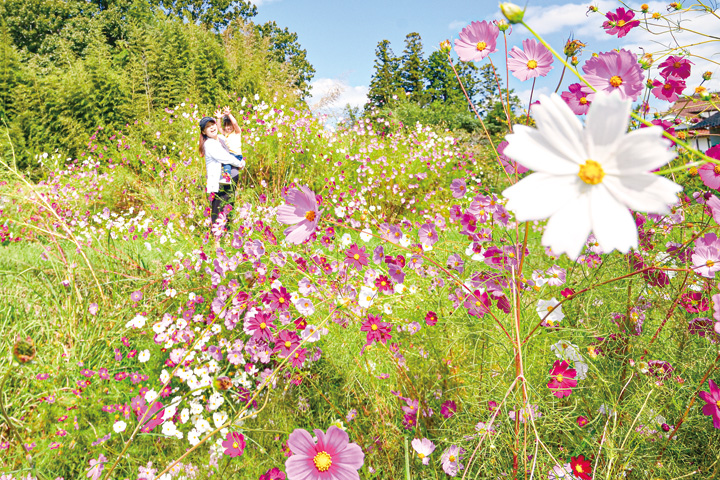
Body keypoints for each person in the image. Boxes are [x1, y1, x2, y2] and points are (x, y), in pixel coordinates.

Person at [198, 116, 245, 226]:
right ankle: (216, 241)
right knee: (218, 211)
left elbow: (235, 150)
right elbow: (225, 157)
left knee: (228, 210)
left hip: (230, 182)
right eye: (208, 126)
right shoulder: (209, 144)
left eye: (212, 124)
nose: (212, 127)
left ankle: (226, 238)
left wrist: (242, 160)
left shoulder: (221, 138)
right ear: (204, 131)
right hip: (219, 183)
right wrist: (240, 164)